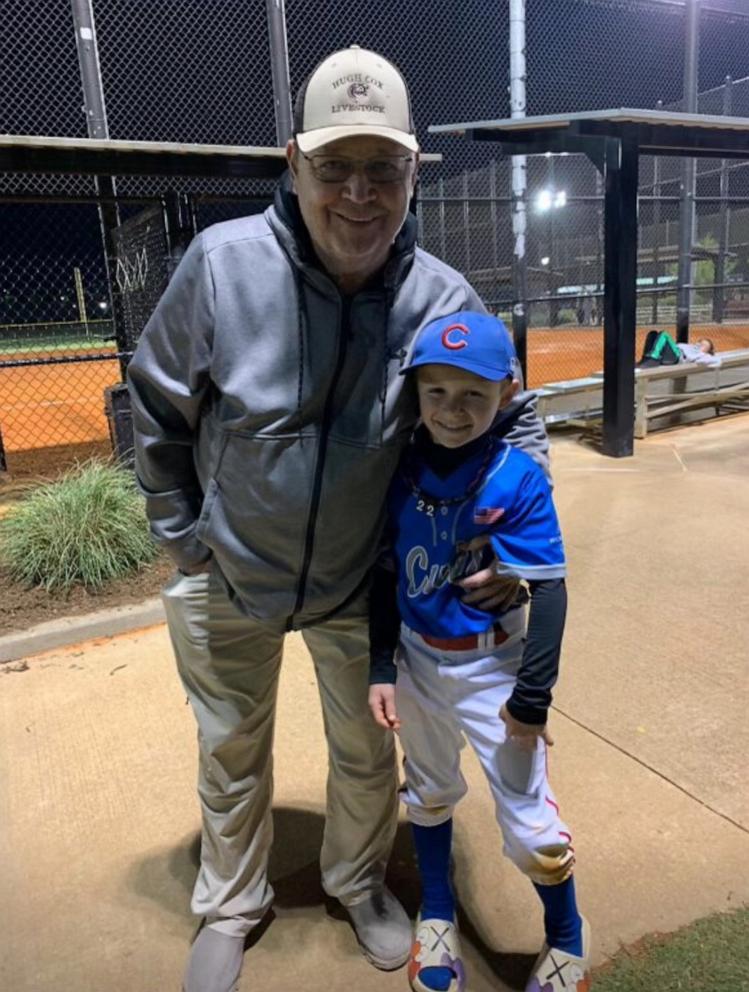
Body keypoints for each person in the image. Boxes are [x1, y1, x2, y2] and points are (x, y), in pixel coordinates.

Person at [127, 45, 551, 992]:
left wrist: (506, 542)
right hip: (229, 574)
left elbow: (514, 414)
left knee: (364, 753)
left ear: (411, 174)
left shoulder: (438, 297)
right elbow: (155, 403)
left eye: (383, 169)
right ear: (294, 163)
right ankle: (230, 905)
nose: (359, 194)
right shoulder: (221, 265)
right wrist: (184, 541)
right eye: (335, 167)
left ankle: (356, 880)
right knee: (230, 751)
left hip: (362, 584)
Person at [368, 311, 591, 992]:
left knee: (530, 825)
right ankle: (436, 914)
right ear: (416, 395)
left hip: (493, 665)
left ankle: (566, 939)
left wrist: (530, 699)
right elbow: (382, 575)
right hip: (415, 660)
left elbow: (549, 593)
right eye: (435, 393)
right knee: (429, 792)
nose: (452, 410)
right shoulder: (401, 466)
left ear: (507, 392)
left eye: (473, 394)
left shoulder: (516, 476)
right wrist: (381, 666)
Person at [637, 330, 720, 368]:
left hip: (676, 357)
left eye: (703, 346)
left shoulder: (703, 355)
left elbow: (717, 361)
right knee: (653, 334)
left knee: (664, 334)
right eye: (700, 342)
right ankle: (646, 359)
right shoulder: (691, 347)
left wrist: (708, 357)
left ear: (707, 351)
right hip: (672, 354)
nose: (700, 345)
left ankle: (653, 358)